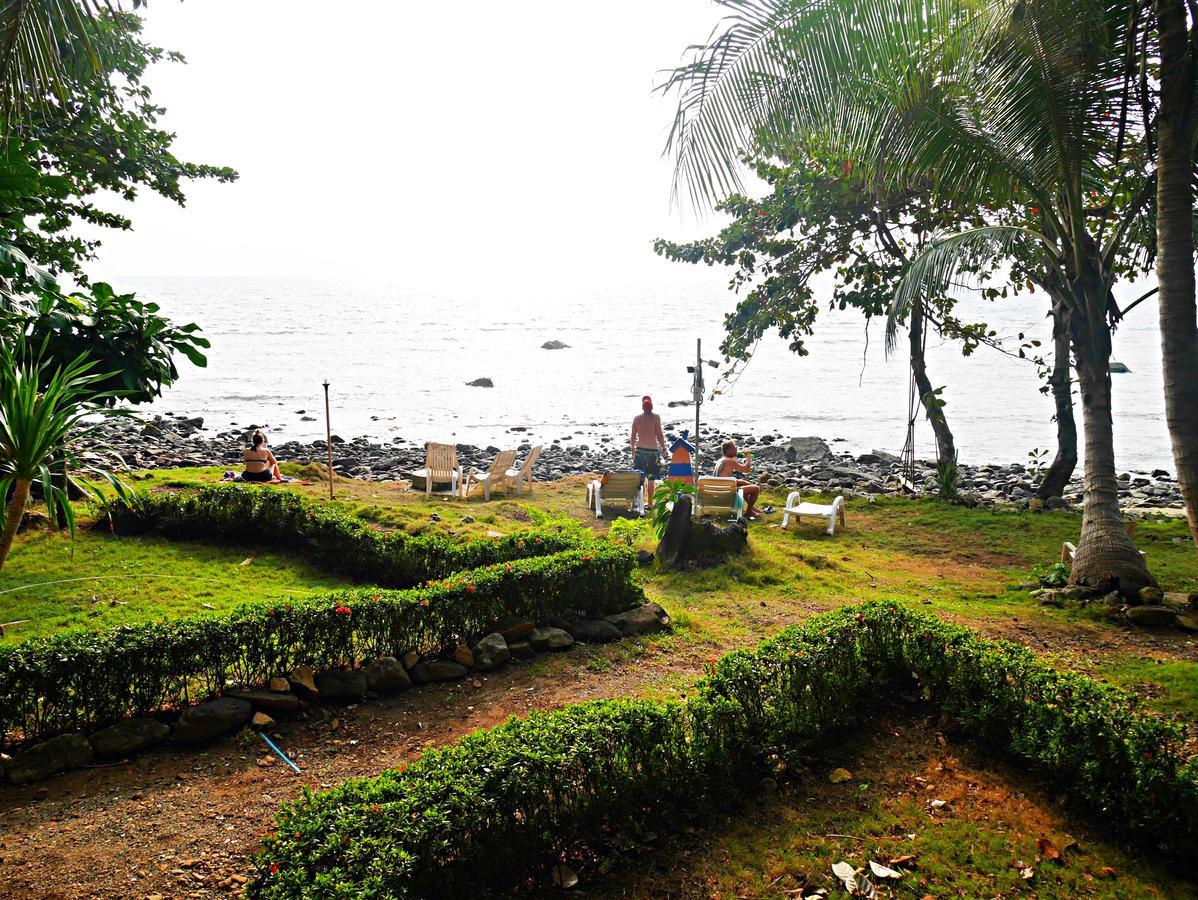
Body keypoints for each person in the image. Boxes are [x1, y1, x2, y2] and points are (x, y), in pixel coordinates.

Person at [630, 395, 667, 504]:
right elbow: (659, 434)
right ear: (652, 407)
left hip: (640, 451)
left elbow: (632, 437)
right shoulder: (656, 418)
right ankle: (650, 503)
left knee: (640, 478)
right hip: (653, 452)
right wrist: (663, 448)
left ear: (642, 407)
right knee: (651, 479)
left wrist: (633, 449)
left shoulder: (637, 419)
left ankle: (640, 503)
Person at [714, 439, 762, 519]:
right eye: (734, 448)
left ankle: (751, 507)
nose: (736, 449)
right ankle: (749, 511)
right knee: (756, 489)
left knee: (743, 483)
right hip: (727, 494)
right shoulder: (729, 461)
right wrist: (748, 456)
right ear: (729, 450)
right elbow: (746, 469)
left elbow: (723, 479)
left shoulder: (720, 460)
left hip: (720, 490)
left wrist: (743, 482)